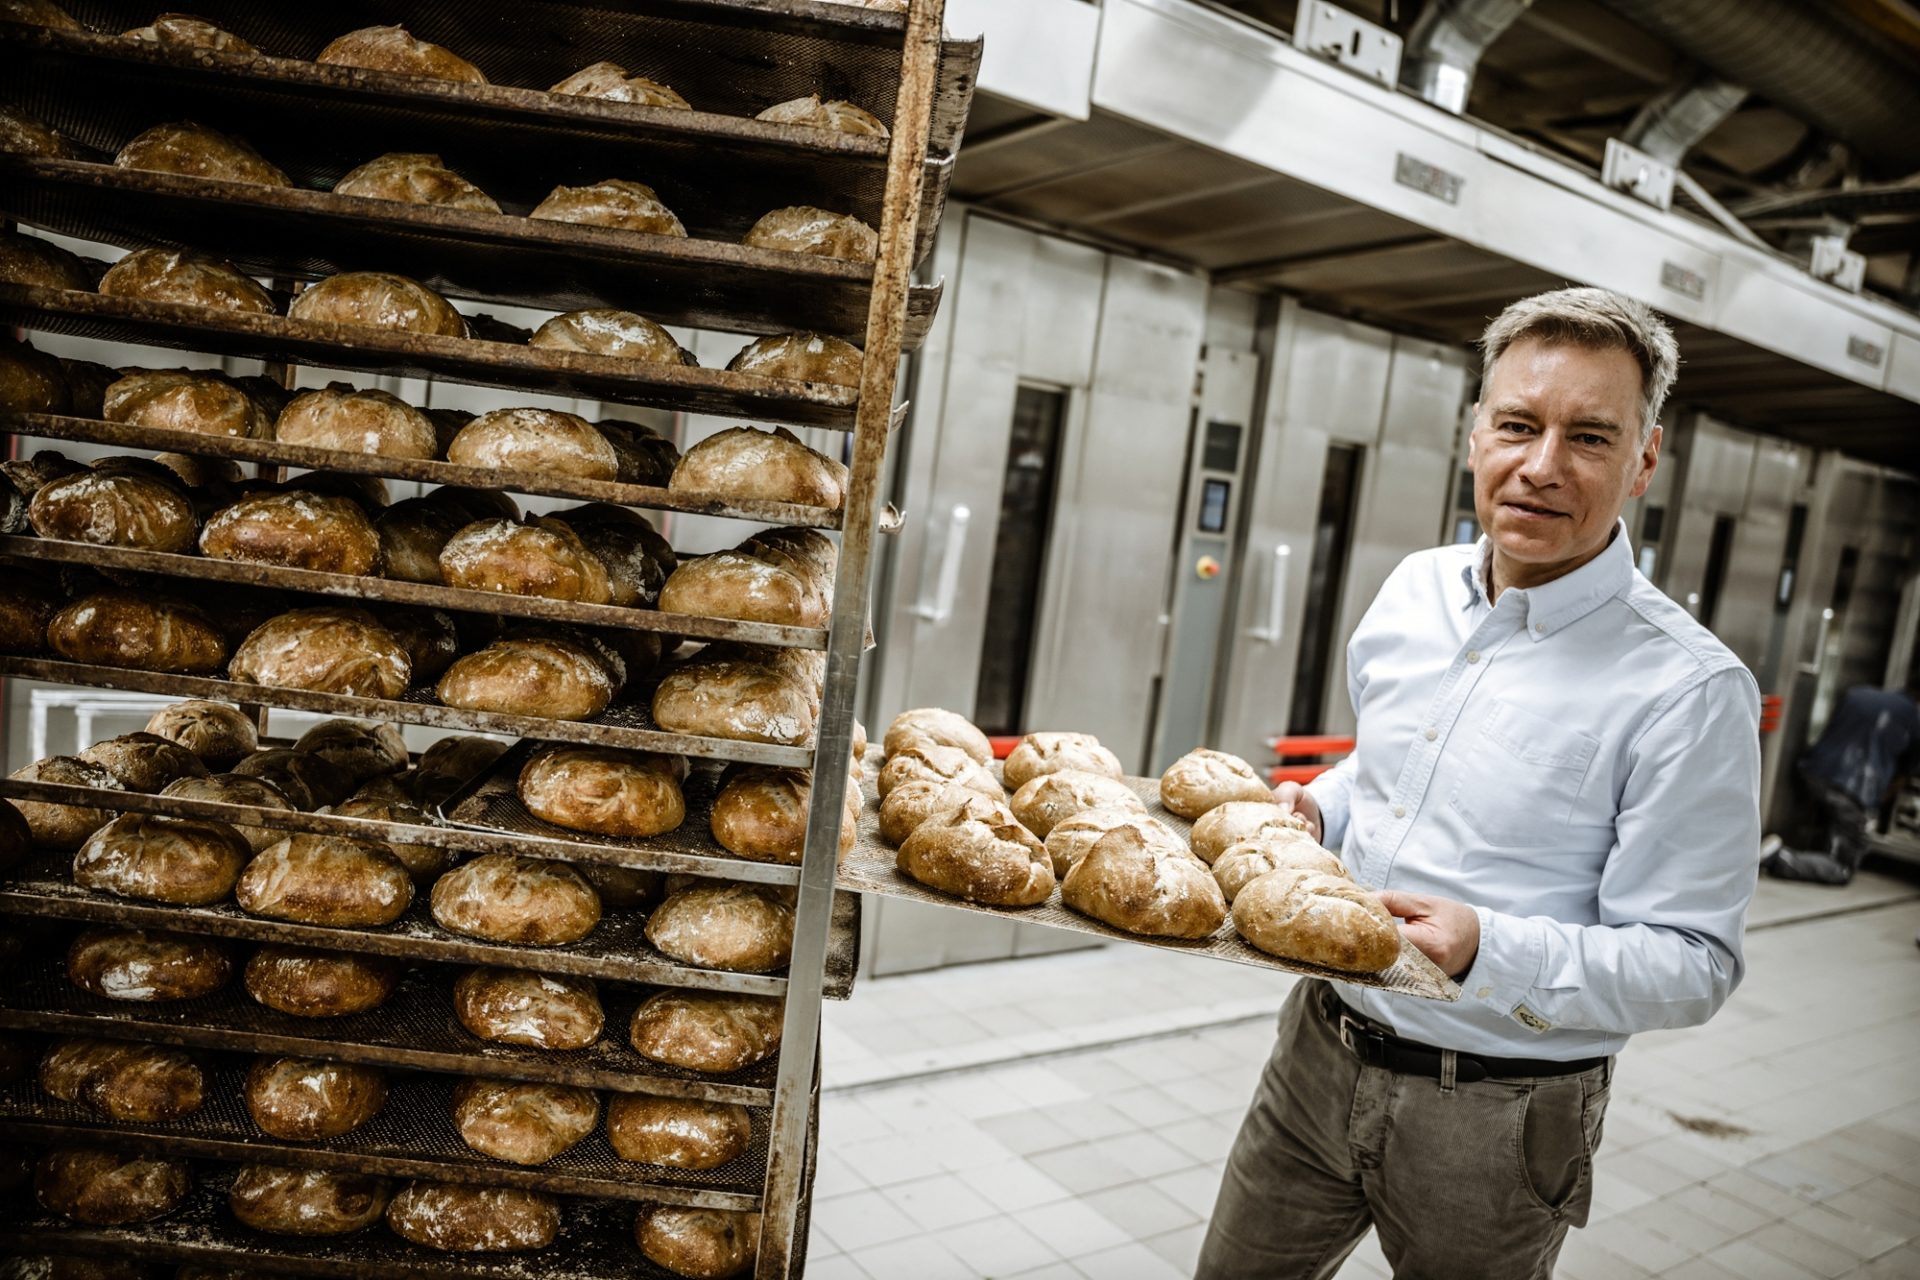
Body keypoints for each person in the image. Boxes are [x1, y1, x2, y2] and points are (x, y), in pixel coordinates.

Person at [1196, 287, 1761, 1280]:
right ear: (1474, 433)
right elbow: (1401, 755)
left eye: (1590, 436)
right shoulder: (1417, 588)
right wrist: (1323, 801)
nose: (1541, 466)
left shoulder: (1688, 689)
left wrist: (1487, 949)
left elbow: (1694, 961)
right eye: (1517, 424)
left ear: (1645, 459)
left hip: (1499, 1114)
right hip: (1318, 1051)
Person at [1762, 681, 1920, 884]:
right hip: (1851, 789)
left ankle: (1806, 851)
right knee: (1842, 867)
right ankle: (1778, 858)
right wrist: (1875, 804)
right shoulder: (1913, 719)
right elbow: (1904, 773)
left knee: (1837, 823)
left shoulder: (1858, 693)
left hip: (1813, 770)